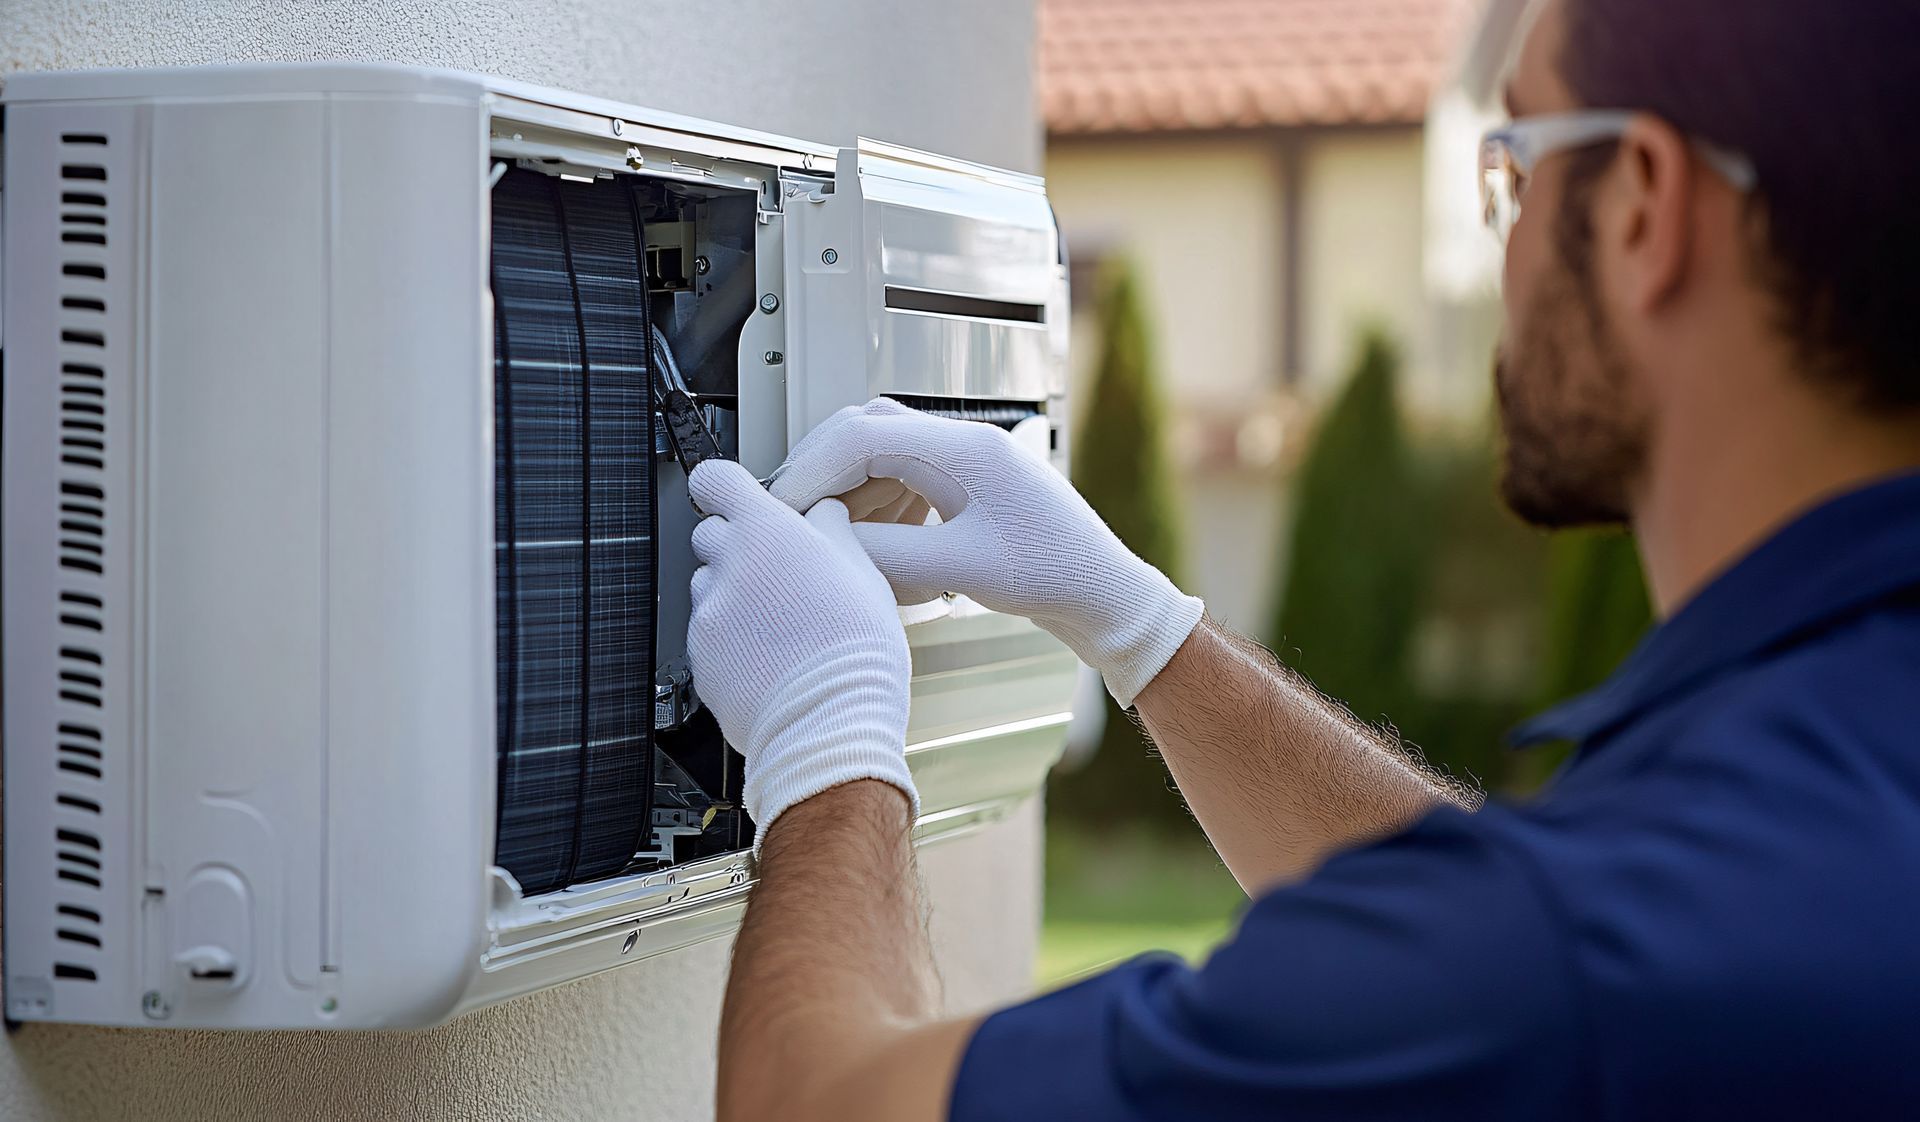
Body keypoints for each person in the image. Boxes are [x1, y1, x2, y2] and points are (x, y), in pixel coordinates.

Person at [685, 0, 1920, 1116]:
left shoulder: (1583, 963)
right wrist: (1140, 627)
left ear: (1646, 205)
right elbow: (1503, 940)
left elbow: (818, 1103)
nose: (1506, 239)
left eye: (1519, 161)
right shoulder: (1795, 823)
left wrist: (826, 731)